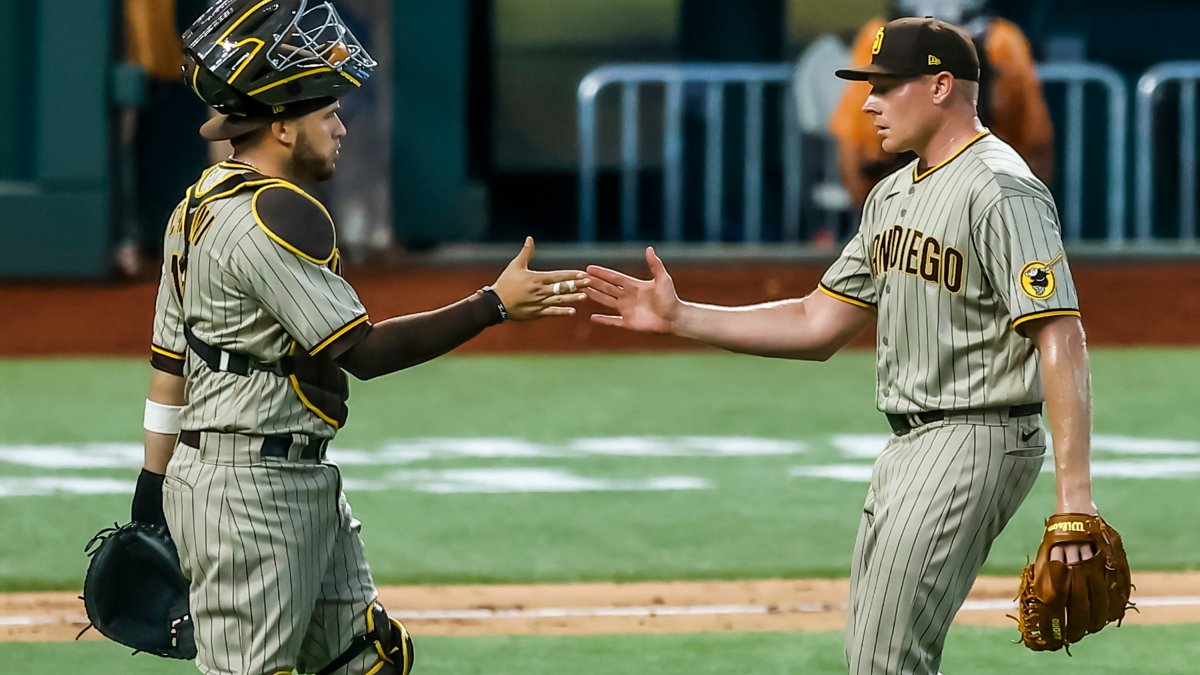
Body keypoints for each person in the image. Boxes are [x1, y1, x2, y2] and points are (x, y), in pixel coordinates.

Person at [586, 17, 1101, 675]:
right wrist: (682, 317)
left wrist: (1074, 500)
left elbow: (1061, 333)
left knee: (886, 662)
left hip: (975, 437)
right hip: (910, 445)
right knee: (873, 658)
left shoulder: (1000, 187)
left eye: (885, 87)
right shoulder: (891, 195)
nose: (867, 103)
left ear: (941, 85)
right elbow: (815, 321)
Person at [130, 1, 589, 673]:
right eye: (328, 115)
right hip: (249, 496)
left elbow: (170, 365)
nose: (342, 128)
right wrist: (491, 304)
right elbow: (362, 351)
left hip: (286, 478)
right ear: (282, 128)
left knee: (366, 658)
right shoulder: (272, 215)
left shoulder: (195, 202)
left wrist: (152, 481)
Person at [830, 0, 1054, 207]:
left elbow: (1034, 145)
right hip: (918, 202)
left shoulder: (1002, 43)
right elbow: (1036, 152)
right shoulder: (1003, 40)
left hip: (973, 200)